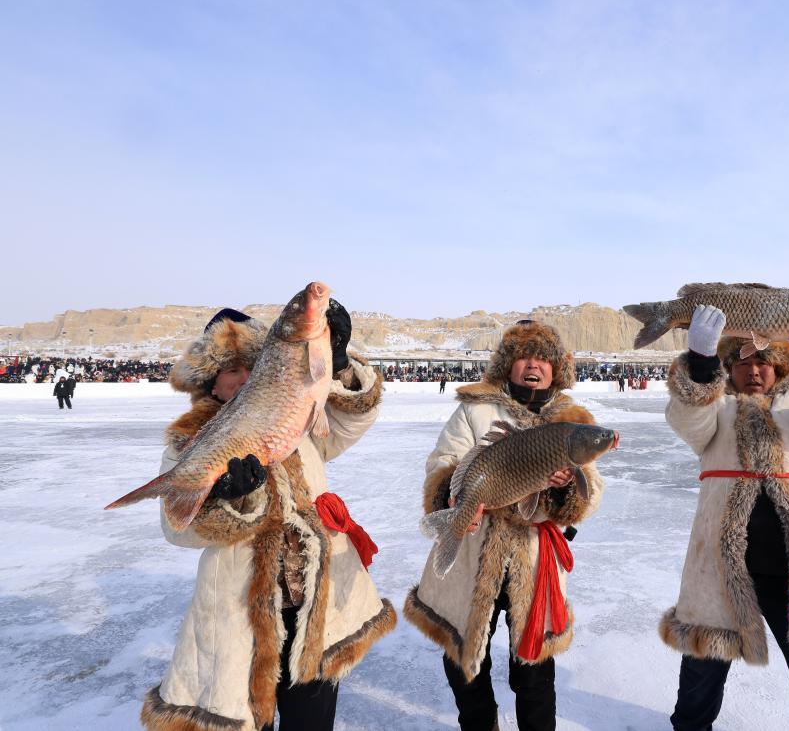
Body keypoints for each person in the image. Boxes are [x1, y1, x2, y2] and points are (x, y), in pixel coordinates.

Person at [140, 305, 396, 731]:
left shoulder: (294, 419)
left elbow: (354, 419)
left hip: (311, 597)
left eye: (251, 368)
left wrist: (339, 363)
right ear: (212, 383)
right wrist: (224, 499)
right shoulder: (190, 440)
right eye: (230, 370)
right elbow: (176, 528)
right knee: (248, 716)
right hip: (241, 607)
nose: (242, 378)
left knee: (312, 720)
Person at [661, 303, 789, 731]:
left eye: (763, 361)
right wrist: (700, 366)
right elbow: (687, 421)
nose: (753, 371)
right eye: (741, 362)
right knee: (700, 676)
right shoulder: (715, 410)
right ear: (728, 368)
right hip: (720, 568)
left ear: (778, 366)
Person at [403, 320, 605, 731]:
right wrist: (453, 496)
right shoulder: (475, 410)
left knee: (534, 671)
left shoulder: (572, 421)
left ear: (556, 368)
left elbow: (593, 489)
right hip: (472, 549)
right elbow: (441, 462)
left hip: (534, 557)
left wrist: (563, 493)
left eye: (544, 358)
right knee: (464, 658)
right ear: (508, 365)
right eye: (524, 357)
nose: (534, 365)